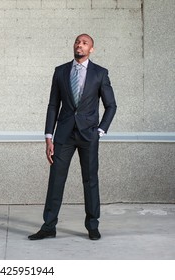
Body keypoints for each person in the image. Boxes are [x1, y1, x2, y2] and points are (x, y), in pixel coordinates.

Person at [29, 34, 117, 241]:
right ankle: (49, 226)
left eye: (85, 43)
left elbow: (111, 105)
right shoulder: (60, 71)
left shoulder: (100, 73)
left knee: (90, 180)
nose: (80, 45)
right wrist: (48, 136)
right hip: (64, 135)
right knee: (56, 179)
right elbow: (53, 105)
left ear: (91, 49)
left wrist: (100, 131)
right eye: (77, 42)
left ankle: (92, 225)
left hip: (89, 135)